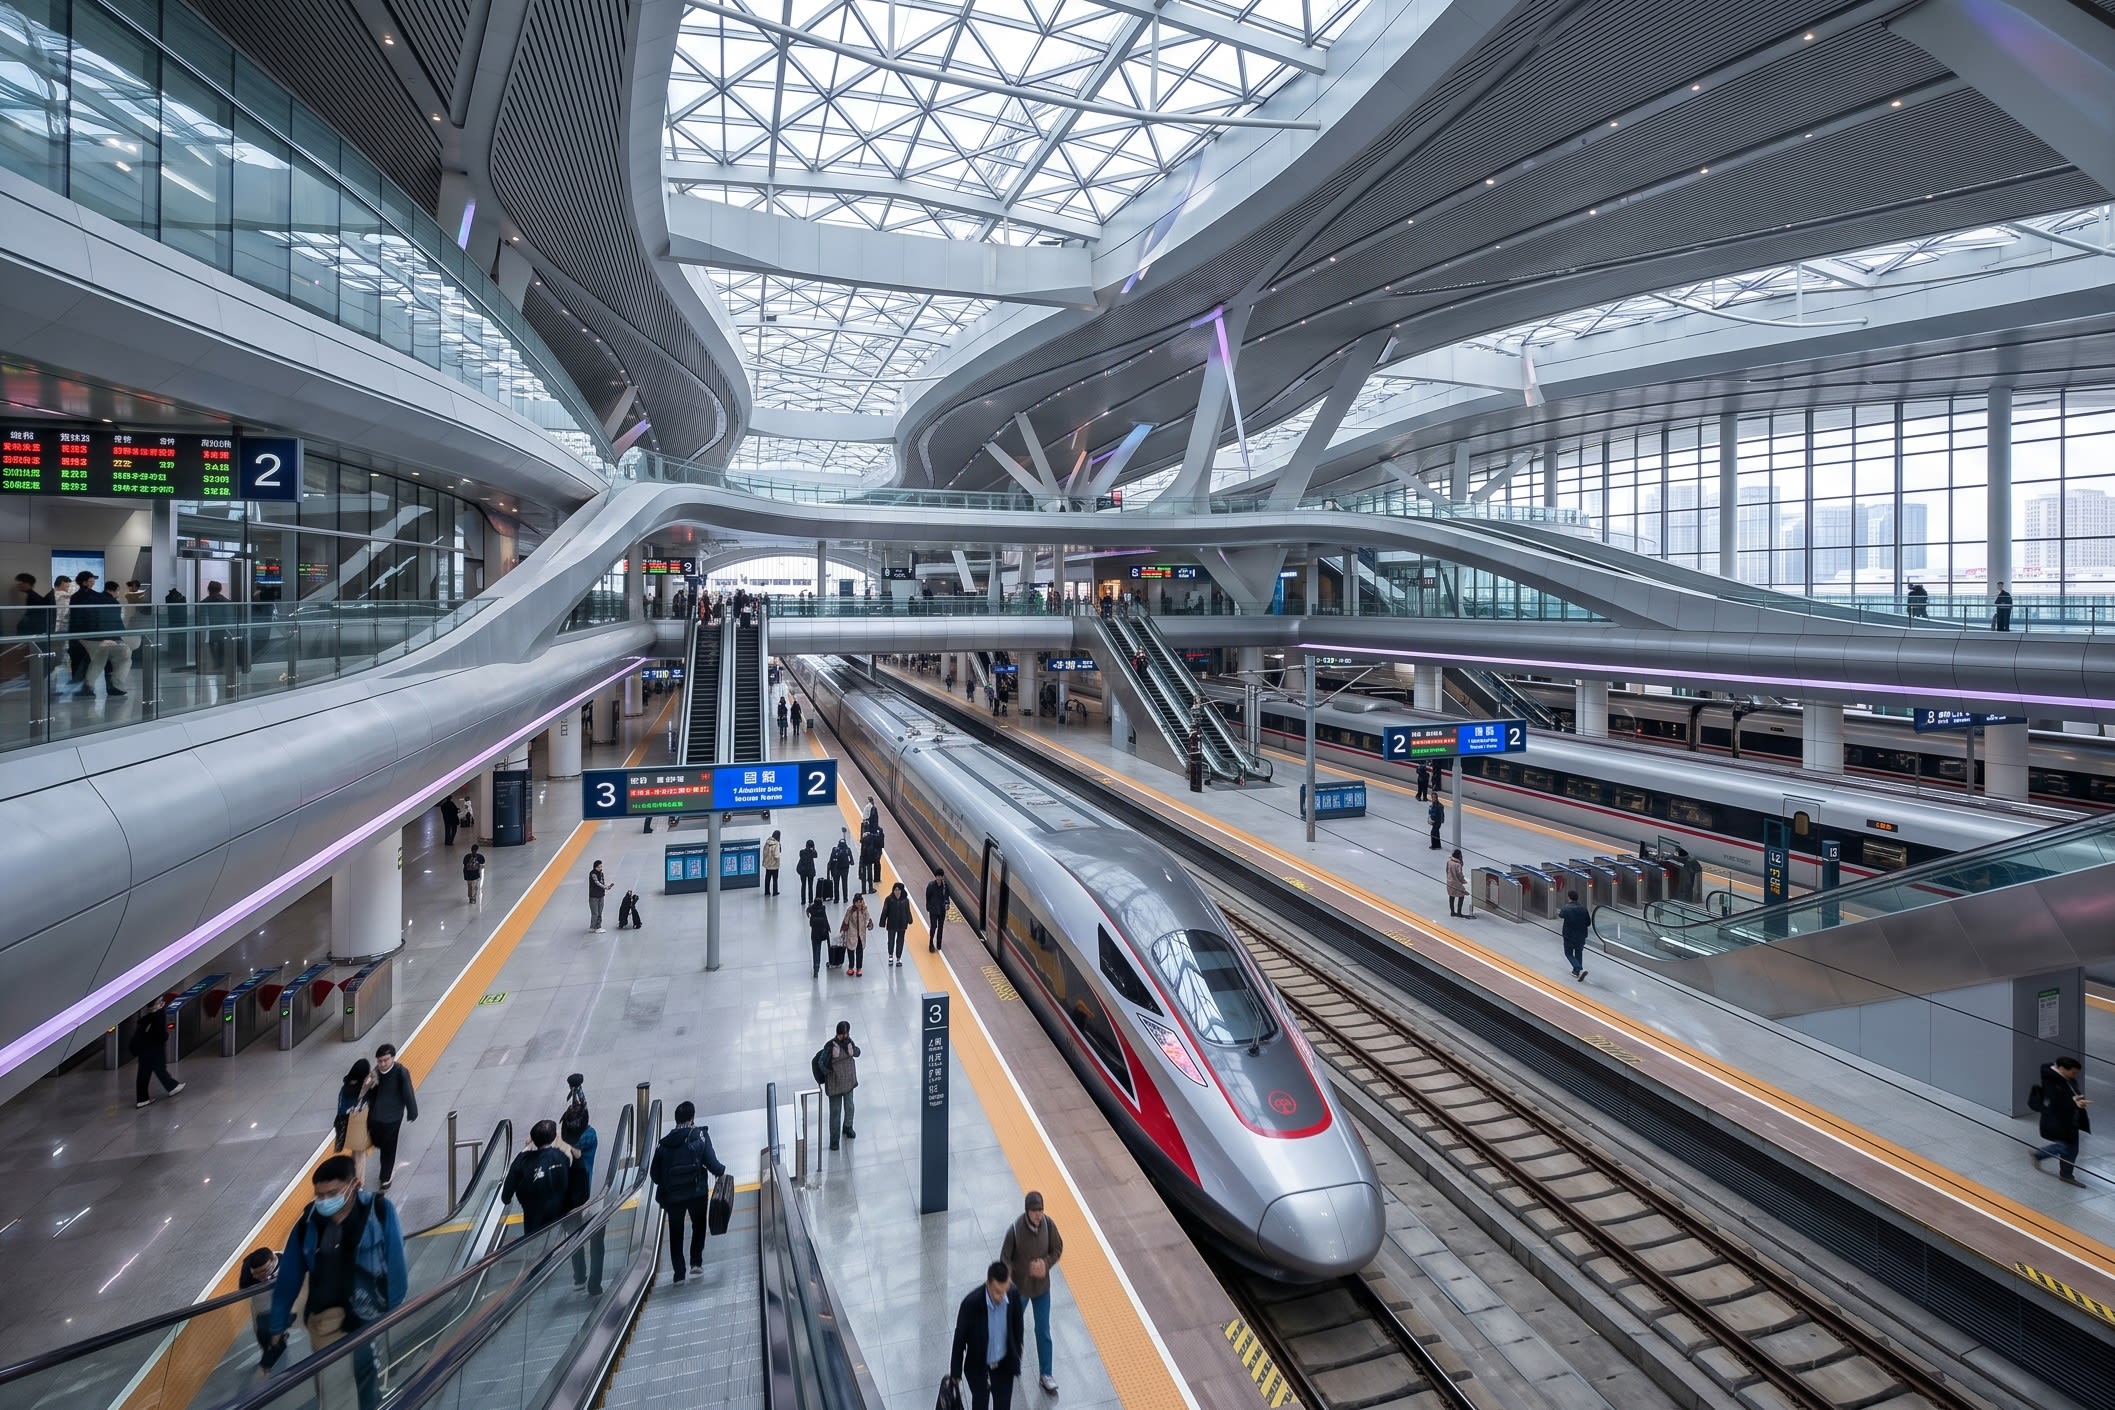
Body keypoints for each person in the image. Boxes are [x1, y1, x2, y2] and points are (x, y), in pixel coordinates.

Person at [264, 1154, 409, 1410]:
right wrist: (277, 1325)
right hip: (326, 1322)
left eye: (332, 1193)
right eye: (319, 1195)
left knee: (365, 1378)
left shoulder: (379, 1211)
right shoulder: (309, 1223)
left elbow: (396, 1263)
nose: (324, 1201)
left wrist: (394, 1315)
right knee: (332, 1387)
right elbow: (288, 1277)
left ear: (354, 1184)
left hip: (368, 1315)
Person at [650, 1101, 725, 1283]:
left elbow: (655, 1175)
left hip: (673, 1197)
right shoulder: (699, 1136)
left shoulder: (663, 1144)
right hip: (696, 1192)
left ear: (676, 1119)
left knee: (675, 1231)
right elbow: (711, 1162)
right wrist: (721, 1172)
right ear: (692, 1118)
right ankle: (696, 1263)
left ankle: (679, 1273)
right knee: (698, 1226)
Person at [1000, 1193, 1065, 1395]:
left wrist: (1045, 1264)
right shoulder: (1015, 1231)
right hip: (1020, 1289)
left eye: (1041, 1210)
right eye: (1035, 1211)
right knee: (1013, 1327)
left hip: (1042, 1289)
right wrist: (1009, 1277)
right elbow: (1005, 1257)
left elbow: (1057, 1248)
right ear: (1027, 1211)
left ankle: (1046, 1374)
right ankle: (1012, 1361)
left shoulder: (1049, 1225)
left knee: (1043, 1330)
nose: (1039, 1215)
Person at [948, 1260, 1026, 1410]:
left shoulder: (1013, 1294)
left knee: (1003, 1406)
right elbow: (959, 1340)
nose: (1001, 1296)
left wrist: (1017, 1354)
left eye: (1004, 1291)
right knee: (980, 1404)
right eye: (997, 1291)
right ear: (987, 1283)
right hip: (978, 1368)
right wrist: (955, 1373)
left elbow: (1018, 1327)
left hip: (1004, 1366)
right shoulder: (971, 1304)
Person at [561, 1077, 603, 1295]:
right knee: (596, 1238)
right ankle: (594, 1285)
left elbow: (578, 1117)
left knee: (573, 1236)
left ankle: (579, 1277)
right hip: (588, 1194)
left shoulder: (562, 1141)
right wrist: (578, 1094)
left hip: (567, 1198)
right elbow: (583, 1116)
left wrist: (577, 1092)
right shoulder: (590, 1136)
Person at [503, 1119, 577, 1236]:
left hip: (533, 1214)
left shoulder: (522, 1160)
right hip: (558, 1212)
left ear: (533, 1138)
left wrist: (506, 1198)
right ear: (554, 1137)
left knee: (532, 1236)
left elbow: (510, 1183)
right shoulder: (561, 1157)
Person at [68, 571, 130, 700]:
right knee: (105, 660)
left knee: (89, 661)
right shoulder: (99, 598)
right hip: (95, 635)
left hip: (82, 635)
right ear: (84, 582)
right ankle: (108, 686)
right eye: (91, 581)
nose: (93, 583)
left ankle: (85, 687)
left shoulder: (77, 597)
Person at [365, 1043, 418, 1191]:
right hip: (375, 1116)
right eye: (380, 1061)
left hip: (393, 1117)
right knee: (378, 1142)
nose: (382, 1064)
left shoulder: (401, 1072)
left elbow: (408, 1092)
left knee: (388, 1147)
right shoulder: (375, 1073)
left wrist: (412, 1111)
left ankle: (385, 1178)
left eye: (385, 1060)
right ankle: (385, 1171)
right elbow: (368, 1094)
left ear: (393, 1058)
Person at [2030, 1056, 2090, 1185]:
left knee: (2072, 1149)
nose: (2074, 1075)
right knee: (2064, 1147)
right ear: (2062, 1068)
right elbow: (2057, 1102)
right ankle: (2039, 1155)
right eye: (2073, 1072)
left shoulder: (2067, 1078)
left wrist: (2077, 1100)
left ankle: (2066, 1174)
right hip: (2058, 1121)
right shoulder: (2051, 1080)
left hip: (2071, 1120)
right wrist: (2075, 1103)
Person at [130, 996, 186, 1108]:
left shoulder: (146, 1018)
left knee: (144, 1073)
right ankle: (172, 1087)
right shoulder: (157, 1016)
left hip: (143, 1049)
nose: (162, 1003)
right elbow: (161, 1034)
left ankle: (142, 1099)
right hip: (154, 1049)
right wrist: (165, 1036)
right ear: (153, 1006)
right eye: (160, 1002)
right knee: (160, 1068)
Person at [239, 1246, 284, 1369]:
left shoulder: (285, 1261)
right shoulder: (248, 1270)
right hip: (262, 1308)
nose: (261, 1276)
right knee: (262, 1335)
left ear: (273, 1260)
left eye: (264, 1271)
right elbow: (243, 1288)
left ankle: (269, 1363)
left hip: (281, 1306)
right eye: (257, 1273)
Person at [822, 1021, 860, 1148]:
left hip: (848, 1083)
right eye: (843, 1033)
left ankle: (848, 1127)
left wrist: (852, 1051)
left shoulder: (849, 1042)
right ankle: (834, 1141)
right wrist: (832, 1060)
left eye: (846, 1033)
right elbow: (821, 1065)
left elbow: (858, 1052)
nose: (845, 1036)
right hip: (835, 1085)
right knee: (835, 1112)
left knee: (850, 1107)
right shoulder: (830, 1046)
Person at [334, 1058, 372, 1153]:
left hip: (344, 1124)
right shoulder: (364, 1090)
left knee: (356, 1150)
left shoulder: (345, 1087)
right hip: (358, 1124)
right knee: (360, 1152)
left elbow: (341, 1109)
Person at [1557, 890, 1591, 982]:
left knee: (1568, 953)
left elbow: (1561, 915)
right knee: (1578, 952)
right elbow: (1588, 923)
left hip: (1569, 935)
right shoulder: (1583, 909)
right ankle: (1576, 972)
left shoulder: (1566, 908)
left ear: (1569, 897)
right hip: (1581, 935)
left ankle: (1579, 968)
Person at [839, 891, 873, 976]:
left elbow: (868, 918)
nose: (859, 904)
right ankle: (851, 967)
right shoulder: (850, 910)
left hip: (861, 935)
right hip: (852, 934)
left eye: (860, 902)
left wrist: (869, 924)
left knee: (859, 952)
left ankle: (859, 968)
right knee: (850, 951)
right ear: (854, 902)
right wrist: (843, 930)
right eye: (857, 902)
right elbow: (846, 920)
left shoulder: (864, 910)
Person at [880, 881, 913, 967]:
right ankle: (890, 955)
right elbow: (885, 911)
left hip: (902, 924)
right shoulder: (889, 899)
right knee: (891, 940)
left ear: (901, 890)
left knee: (900, 941)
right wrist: (882, 922)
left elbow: (907, 911)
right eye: (895, 890)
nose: (897, 892)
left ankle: (898, 957)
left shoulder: (905, 900)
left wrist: (910, 920)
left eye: (898, 890)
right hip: (891, 924)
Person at [926, 867, 951, 952]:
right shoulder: (931, 886)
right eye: (937, 876)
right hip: (933, 910)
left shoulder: (945, 886)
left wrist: (947, 904)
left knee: (940, 927)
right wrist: (928, 907)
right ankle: (931, 942)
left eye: (940, 876)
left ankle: (939, 944)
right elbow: (928, 897)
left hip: (942, 910)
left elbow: (947, 896)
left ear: (942, 877)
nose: (939, 878)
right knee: (933, 926)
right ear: (935, 877)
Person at [807, 894, 832, 977]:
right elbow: (825, 918)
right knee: (827, 947)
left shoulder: (812, 909)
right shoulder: (822, 908)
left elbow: (808, 911)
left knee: (816, 951)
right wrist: (828, 928)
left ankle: (816, 968)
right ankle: (831, 961)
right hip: (823, 932)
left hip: (814, 934)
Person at [857, 818, 883, 895]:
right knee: (869, 874)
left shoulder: (863, 839)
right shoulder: (871, 837)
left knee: (863, 875)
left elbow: (861, 841)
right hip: (869, 859)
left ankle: (863, 890)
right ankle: (870, 888)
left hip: (863, 858)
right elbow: (878, 840)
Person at [828, 829, 854, 902]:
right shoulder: (848, 850)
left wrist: (830, 868)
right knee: (844, 884)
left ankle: (836, 899)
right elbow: (852, 861)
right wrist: (849, 862)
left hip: (836, 869)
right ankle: (845, 898)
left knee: (836, 884)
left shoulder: (835, 849)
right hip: (845, 869)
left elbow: (831, 859)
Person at [587, 861, 610, 932]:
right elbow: (597, 882)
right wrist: (604, 887)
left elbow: (602, 882)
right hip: (594, 896)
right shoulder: (592, 874)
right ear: (595, 867)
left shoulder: (601, 874)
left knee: (600, 911)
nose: (600, 868)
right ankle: (594, 927)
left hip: (601, 895)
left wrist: (606, 886)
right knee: (595, 913)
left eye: (601, 866)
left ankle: (597, 926)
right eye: (599, 867)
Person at [1445, 848, 1468, 918]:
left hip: (1449, 881)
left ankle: (1452, 912)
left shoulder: (1449, 861)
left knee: (1451, 896)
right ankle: (1459, 912)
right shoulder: (1458, 865)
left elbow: (1446, 870)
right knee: (1461, 895)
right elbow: (1460, 875)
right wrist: (1463, 881)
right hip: (1456, 882)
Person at [796, 838, 819, 903]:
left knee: (803, 886)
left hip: (803, 871)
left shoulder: (802, 852)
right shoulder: (812, 853)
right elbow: (816, 855)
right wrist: (813, 849)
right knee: (810, 886)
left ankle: (803, 900)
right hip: (810, 871)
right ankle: (810, 900)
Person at [763, 830, 783, 897]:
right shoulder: (776, 843)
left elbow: (764, 852)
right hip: (774, 865)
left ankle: (767, 891)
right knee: (775, 879)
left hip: (768, 864)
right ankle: (775, 892)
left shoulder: (768, 841)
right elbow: (776, 855)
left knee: (767, 878)